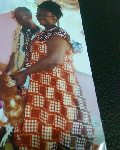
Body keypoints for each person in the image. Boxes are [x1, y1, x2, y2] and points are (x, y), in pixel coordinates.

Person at [12, 1, 97, 150]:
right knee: (42, 119)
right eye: (39, 15)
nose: (40, 18)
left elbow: (54, 59)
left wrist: (25, 72)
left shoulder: (59, 34)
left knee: (57, 121)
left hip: (58, 83)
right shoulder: (43, 34)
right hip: (42, 83)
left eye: (44, 15)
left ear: (55, 17)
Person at [5, 7, 41, 75]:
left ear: (29, 16)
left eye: (20, 18)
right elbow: (14, 54)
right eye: (15, 18)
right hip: (16, 72)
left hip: (33, 75)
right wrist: (6, 74)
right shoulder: (17, 32)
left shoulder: (42, 34)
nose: (18, 21)